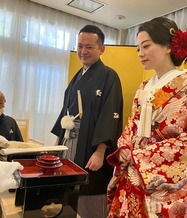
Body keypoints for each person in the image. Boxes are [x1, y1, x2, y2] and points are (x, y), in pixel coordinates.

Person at [107, 17, 187, 218]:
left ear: (168, 47)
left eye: (146, 46)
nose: (140, 53)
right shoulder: (143, 87)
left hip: (168, 182)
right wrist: (124, 147)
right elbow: (132, 125)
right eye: (138, 48)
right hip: (135, 174)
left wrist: (142, 157)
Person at [51, 25, 123, 218]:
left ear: (102, 48)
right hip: (70, 142)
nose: (83, 51)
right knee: (68, 191)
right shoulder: (76, 77)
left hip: (91, 146)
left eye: (89, 47)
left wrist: (100, 152)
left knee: (90, 195)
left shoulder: (109, 76)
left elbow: (109, 115)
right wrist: (57, 144)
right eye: (80, 46)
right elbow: (65, 111)